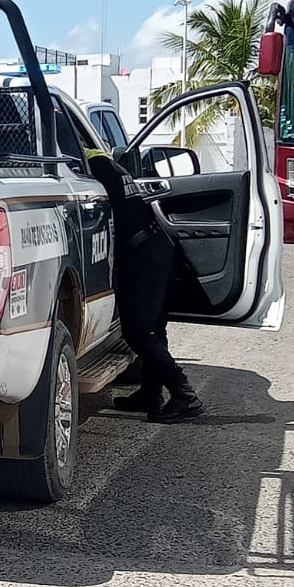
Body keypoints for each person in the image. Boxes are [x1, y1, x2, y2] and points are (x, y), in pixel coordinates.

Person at [86, 146, 203, 422]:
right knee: (152, 328)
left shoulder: (90, 167)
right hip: (152, 247)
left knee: (138, 330)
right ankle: (150, 393)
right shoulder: (103, 162)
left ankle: (184, 393)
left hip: (143, 254)